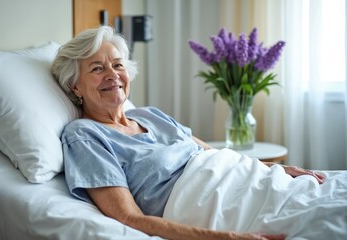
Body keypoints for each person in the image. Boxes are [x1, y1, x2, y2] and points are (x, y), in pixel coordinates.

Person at [51, 26, 324, 240]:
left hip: (248, 180)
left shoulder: (149, 114)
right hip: (211, 203)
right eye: (97, 69)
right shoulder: (84, 135)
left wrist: (277, 169)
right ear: (75, 87)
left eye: (118, 65)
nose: (112, 74)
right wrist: (226, 237)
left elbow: (212, 154)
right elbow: (129, 218)